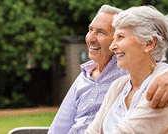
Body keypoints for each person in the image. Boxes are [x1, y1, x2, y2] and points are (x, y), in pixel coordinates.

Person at [85, 6, 168, 134]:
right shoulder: (118, 86)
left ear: (149, 43)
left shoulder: (167, 85)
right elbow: (92, 131)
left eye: (121, 37)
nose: (112, 46)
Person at [47, 5, 128, 134]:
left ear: (119, 39)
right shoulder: (85, 75)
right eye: (90, 30)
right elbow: (59, 127)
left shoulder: (129, 73)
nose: (90, 38)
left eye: (101, 32)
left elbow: (161, 68)